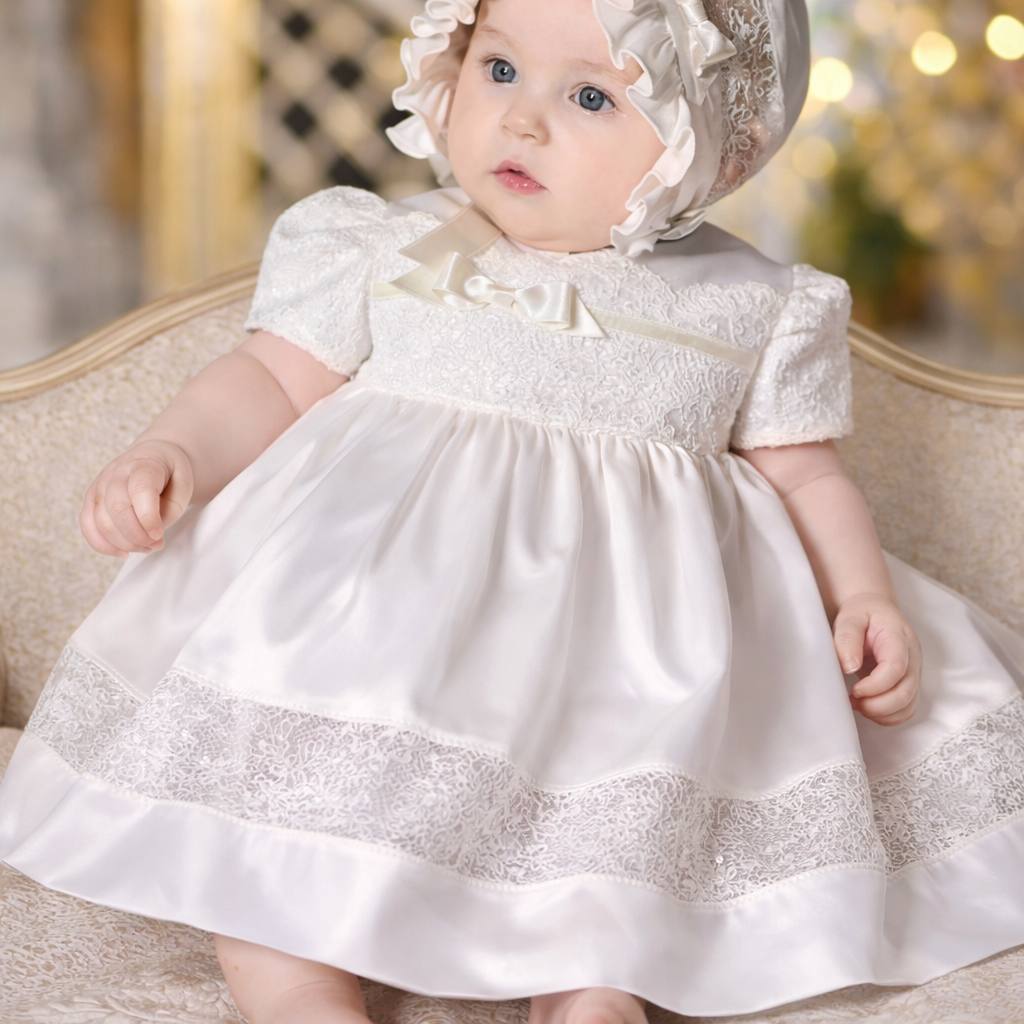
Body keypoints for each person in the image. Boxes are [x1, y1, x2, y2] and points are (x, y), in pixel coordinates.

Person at [2, 0, 1023, 1021]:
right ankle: (297, 993)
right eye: (496, 70)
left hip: (619, 660)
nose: (521, 121)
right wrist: (174, 449)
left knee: (619, 825)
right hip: (371, 636)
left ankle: (590, 990)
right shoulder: (389, 242)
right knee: (265, 819)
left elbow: (806, 476)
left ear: (706, 146)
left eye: (587, 95)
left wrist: (861, 595)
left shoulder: (749, 302)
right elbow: (270, 378)